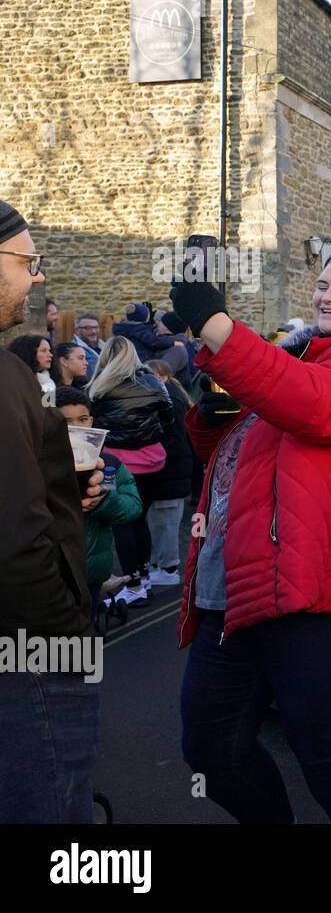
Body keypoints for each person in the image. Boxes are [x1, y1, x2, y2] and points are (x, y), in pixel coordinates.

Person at [169, 247, 331, 824]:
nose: (327, 297)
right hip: (236, 584)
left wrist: (218, 324)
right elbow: (249, 461)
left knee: (327, 753)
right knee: (211, 748)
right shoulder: (298, 359)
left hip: (322, 591)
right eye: (321, 286)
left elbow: (317, 408)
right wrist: (214, 419)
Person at [0, 198, 104, 823]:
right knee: (53, 810)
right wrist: (69, 634)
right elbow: (12, 544)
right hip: (32, 648)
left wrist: (61, 481)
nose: (38, 276)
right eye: (26, 261)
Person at [87, 335, 172, 606]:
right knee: (140, 519)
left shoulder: (99, 387)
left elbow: (93, 428)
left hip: (120, 463)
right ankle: (143, 579)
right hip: (154, 461)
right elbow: (168, 419)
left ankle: (134, 585)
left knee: (124, 523)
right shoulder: (154, 382)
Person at [55, 386, 143, 605]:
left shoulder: (108, 464)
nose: (76, 427)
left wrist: (103, 502)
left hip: (93, 570)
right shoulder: (36, 463)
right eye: (66, 421)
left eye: (82, 419)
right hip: (52, 572)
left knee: (88, 626)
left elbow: (132, 506)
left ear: (91, 421)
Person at [143, 359, 194, 587]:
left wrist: (151, 452)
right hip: (171, 472)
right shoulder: (172, 395)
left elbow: (175, 440)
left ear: (161, 376)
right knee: (161, 521)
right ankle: (160, 564)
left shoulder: (171, 400)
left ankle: (168, 568)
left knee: (166, 522)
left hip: (171, 472)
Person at [112, 300, 183, 363]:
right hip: (140, 360)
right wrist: (172, 343)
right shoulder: (139, 329)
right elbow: (154, 342)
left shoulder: (124, 328)